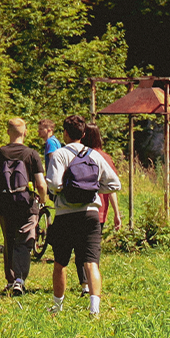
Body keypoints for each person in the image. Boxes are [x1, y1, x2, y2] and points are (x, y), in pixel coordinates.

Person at [47, 118, 120, 319]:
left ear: (65, 134)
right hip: (90, 214)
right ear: (84, 134)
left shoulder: (59, 154)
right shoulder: (94, 155)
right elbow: (115, 184)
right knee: (91, 262)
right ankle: (94, 310)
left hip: (65, 215)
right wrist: (93, 190)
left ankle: (57, 306)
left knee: (60, 262)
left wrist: (66, 190)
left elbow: (53, 185)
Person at [0, 117, 50, 297]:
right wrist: (42, 200)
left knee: (9, 241)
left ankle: (10, 280)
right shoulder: (32, 154)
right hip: (26, 204)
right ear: (25, 132)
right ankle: (19, 280)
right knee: (23, 242)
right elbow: (40, 183)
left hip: (6, 204)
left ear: (8, 132)